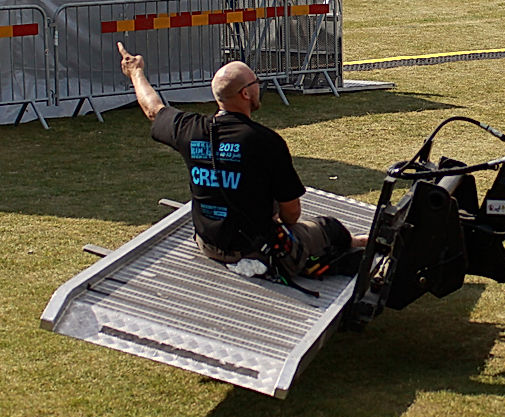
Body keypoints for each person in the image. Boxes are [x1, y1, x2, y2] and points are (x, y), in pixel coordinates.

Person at [117, 42, 366, 283]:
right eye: (256, 83)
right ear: (245, 93)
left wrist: (136, 72)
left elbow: (153, 109)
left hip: (208, 244)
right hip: (254, 248)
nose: (259, 87)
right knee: (330, 228)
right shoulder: (267, 142)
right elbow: (292, 213)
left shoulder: (189, 129)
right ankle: (355, 243)